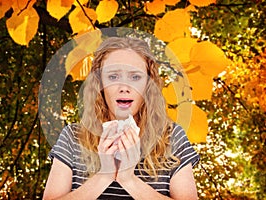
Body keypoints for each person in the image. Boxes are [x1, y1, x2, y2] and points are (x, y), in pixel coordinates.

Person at [43, 37, 200, 200]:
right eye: (113, 77)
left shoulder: (172, 137)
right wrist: (104, 176)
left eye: (135, 77)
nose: (125, 87)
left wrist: (129, 180)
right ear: (100, 84)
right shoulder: (72, 137)